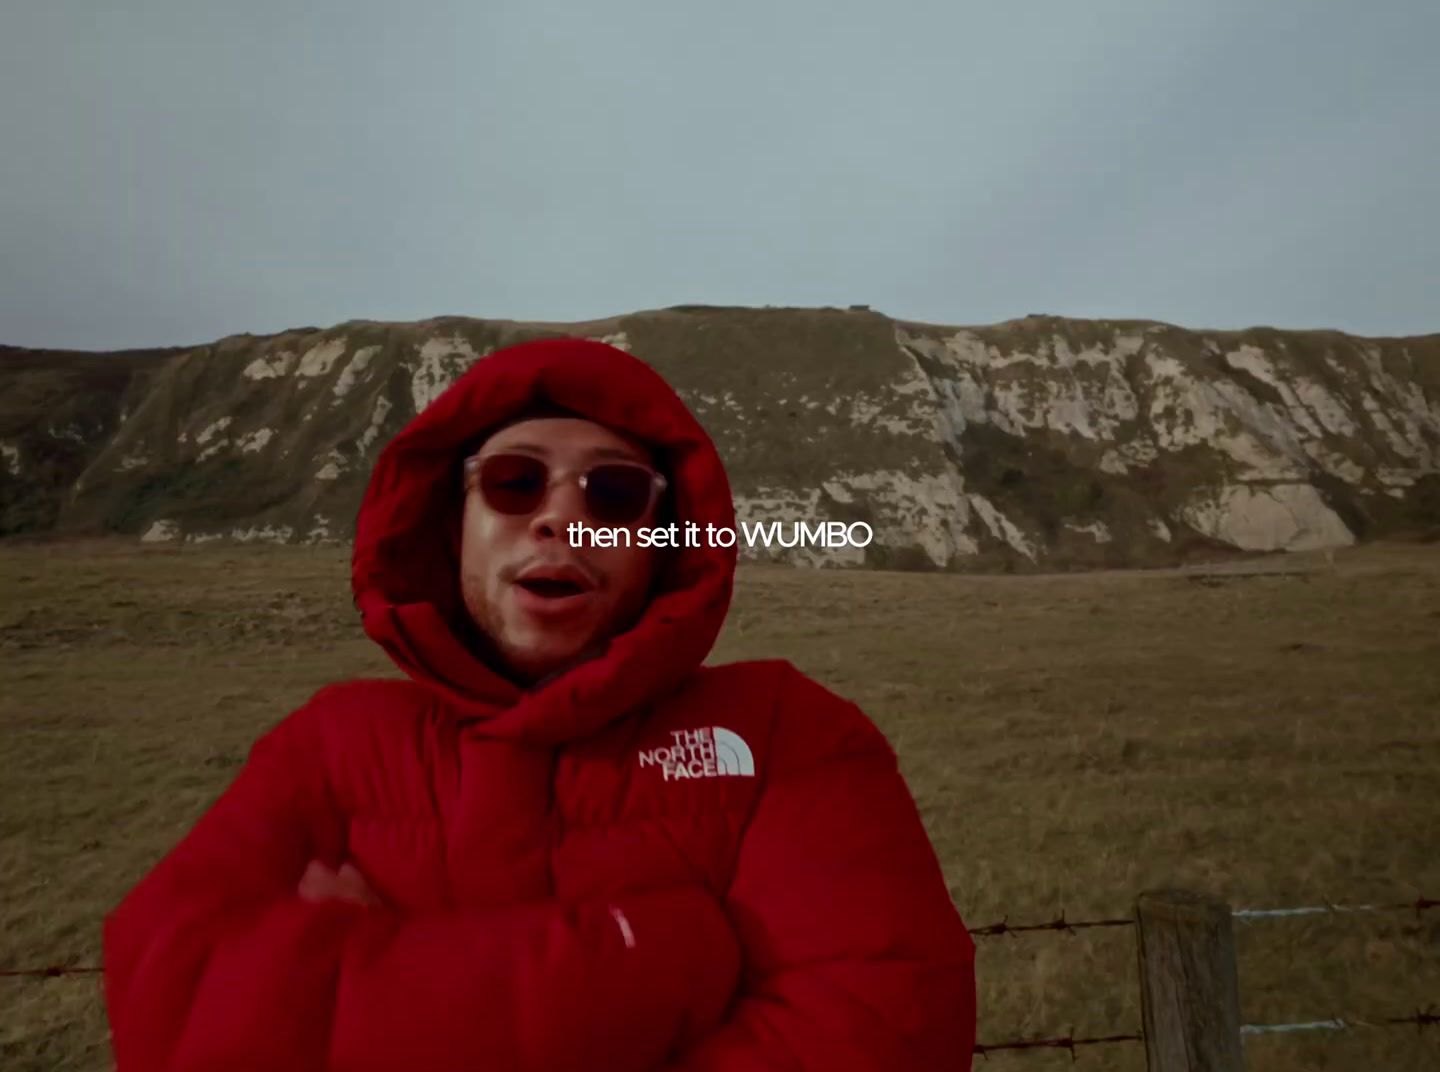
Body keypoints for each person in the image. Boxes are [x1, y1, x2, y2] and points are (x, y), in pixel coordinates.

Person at [102, 335, 978, 1071]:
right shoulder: (329, 745)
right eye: (515, 482)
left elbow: (884, 1032)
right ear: (453, 524)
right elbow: (172, 999)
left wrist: (368, 979)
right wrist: (665, 954)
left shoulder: (787, 735)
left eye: (616, 492)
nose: (563, 518)